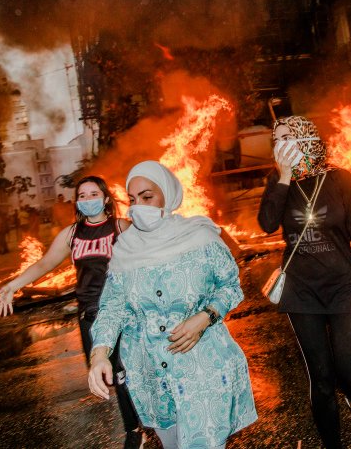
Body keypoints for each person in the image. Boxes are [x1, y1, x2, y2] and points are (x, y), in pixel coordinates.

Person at [87, 161, 257, 449]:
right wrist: (99, 355)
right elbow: (113, 307)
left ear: (167, 194)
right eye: (132, 199)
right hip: (151, 373)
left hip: (203, 368)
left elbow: (230, 286)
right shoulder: (124, 249)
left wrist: (205, 317)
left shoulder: (201, 238)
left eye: (147, 196)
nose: (138, 206)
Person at [0, 176, 147, 448]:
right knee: (104, 372)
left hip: (120, 309)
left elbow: (149, 255)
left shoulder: (121, 228)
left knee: (122, 371)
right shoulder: (72, 234)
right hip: (89, 314)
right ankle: (139, 416)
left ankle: (134, 430)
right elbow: (44, 265)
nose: (88, 200)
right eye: (83, 195)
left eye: (93, 194)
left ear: (106, 198)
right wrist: (13, 286)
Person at [257, 116, 351, 447]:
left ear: (308, 140)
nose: (280, 145)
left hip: (344, 286)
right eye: (276, 140)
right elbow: (267, 223)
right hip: (302, 292)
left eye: (288, 137)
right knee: (322, 378)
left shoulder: (341, 180)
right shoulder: (278, 182)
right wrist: (283, 178)